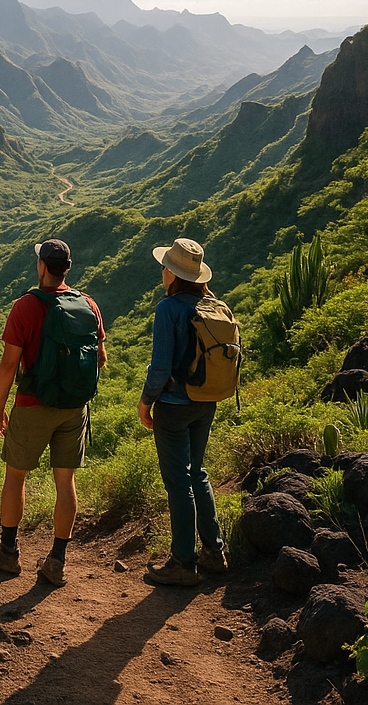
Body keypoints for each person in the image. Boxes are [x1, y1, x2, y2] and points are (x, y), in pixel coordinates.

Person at [0, 238, 106, 586]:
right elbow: (101, 358)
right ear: (67, 268)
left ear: (41, 266)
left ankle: (7, 552)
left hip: (34, 405)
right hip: (74, 408)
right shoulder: (88, 305)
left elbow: (8, 365)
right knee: (66, 483)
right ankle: (57, 560)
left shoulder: (26, 306)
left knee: (16, 476)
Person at [138, 237, 228, 586]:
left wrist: (146, 402)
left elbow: (160, 366)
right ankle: (214, 552)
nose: (163, 272)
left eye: (166, 267)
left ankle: (183, 562)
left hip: (174, 406)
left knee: (178, 482)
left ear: (173, 274)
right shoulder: (213, 304)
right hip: (207, 402)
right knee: (197, 473)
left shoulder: (169, 308)